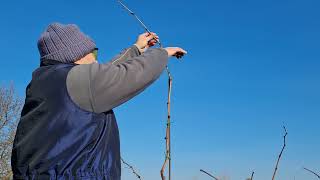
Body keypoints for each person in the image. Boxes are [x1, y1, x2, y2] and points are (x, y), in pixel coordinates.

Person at [11, 22, 186, 179]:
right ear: (75, 55)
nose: (95, 57)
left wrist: (136, 49)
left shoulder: (46, 83)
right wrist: (163, 53)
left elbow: (105, 72)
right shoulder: (78, 81)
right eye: (93, 51)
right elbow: (130, 74)